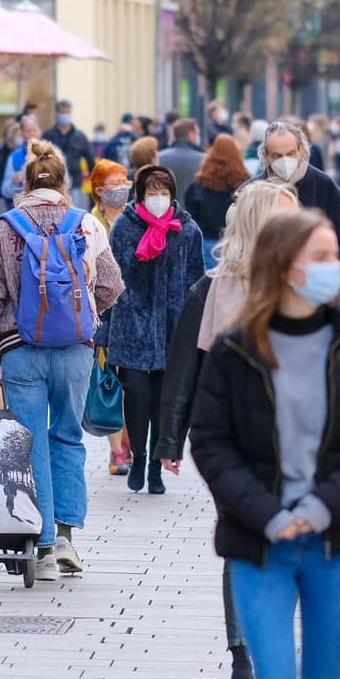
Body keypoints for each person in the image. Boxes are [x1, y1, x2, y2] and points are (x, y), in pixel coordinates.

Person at [190, 209, 340, 679]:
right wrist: (267, 514)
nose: (336, 267)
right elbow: (210, 444)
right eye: (323, 257)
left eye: (336, 254)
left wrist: (324, 505)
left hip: (338, 541)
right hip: (261, 543)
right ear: (284, 266)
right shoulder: (237, 349)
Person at [156, 180, 299, 679]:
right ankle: (243, 659)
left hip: (295, 442)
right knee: (242, 541)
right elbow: (185, 369)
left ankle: (270, 652)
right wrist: (170, 439)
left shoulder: (305, 287)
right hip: (230, 441)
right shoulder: (213, 289)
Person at [0, 140, 124, 578]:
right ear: (64, 182)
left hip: (21, 352)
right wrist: (84, 316)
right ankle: (66, 540)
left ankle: (38, 549)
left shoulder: (6, 227)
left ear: (25, 182)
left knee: (29, 442)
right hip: (75, 351)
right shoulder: (86, 226)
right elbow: (113, 284)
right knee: (68, 439)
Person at [106, 164, 206, 494]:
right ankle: (137, 456)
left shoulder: (187, 230)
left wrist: (196, 326)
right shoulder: (124, 226)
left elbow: (196, 280)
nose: (159, 199)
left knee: (164, 400)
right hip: (133, 327)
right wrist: (107, 328)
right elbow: (111, 278)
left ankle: (156, 466)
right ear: (140, 195)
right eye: (152, 193)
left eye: (164, 193)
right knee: (137, 395)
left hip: (174, 331)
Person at [254, 121, 340, 287]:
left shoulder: (325, 186)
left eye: (291, 153)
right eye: (277, 156)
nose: (285, 161)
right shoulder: (251, 193)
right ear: (266, 155)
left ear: (301, 151)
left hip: (317, 294)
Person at [88, 159, 134, 474]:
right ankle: (117, 452)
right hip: (103, 311)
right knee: (110, 381)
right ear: (99, 189)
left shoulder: (135, 219)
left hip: (131, 311)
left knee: (131, 383)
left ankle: (128, 445)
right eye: (113, 184)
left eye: (124, 183)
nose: (120, 190)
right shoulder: (89, 222)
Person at [187, 135, 253, 270]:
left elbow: (191, 212)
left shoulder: (199, 184)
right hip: (236, 243)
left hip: (206, 242)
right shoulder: (245, 183)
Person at [49, 100, 96, 207]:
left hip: (75, 183)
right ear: (57, 113)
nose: (65, 115)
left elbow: (90, 158)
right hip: (53, 184)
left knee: (75, 213)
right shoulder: (49, 135)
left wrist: (94, 179)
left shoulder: (79, 136)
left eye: (67, 112)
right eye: (62, 112)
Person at [158, 118, 207, 207]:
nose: (198, 137)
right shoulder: (204, 159)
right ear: (191, 134)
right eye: (197, 134)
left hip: (165, 213)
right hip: (193, 214)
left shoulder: (159, 157)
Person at [1, 115, 48, 199]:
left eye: (34, 130)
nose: (32, 133)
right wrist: (14, 181)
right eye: (28, 131)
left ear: (40, 131)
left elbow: (64, 182)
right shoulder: (14, 157)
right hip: (23, 206)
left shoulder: (53, 153)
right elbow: (5, 191)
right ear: (22, 133)